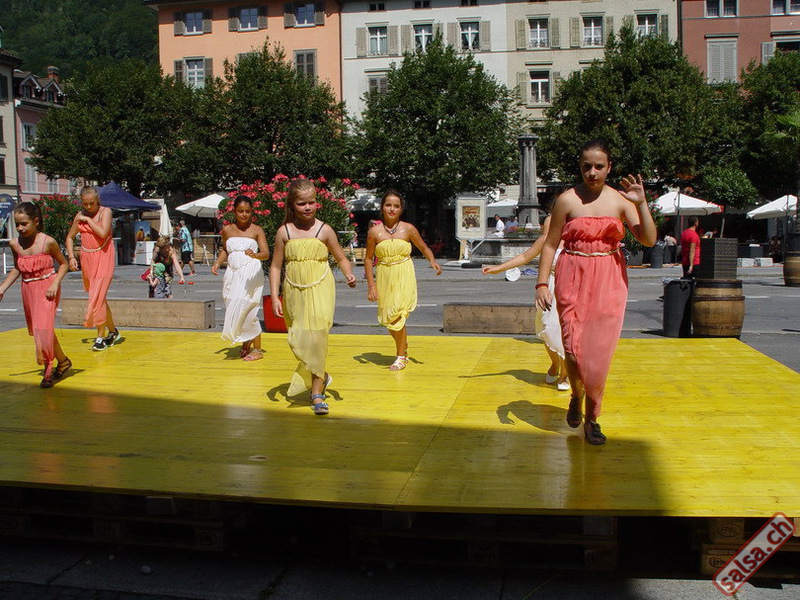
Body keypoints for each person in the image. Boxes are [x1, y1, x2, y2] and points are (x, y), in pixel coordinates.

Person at [535, 139, 656, 445]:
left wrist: (642, 203)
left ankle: (592, 418)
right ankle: (576, 394)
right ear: (580, 167)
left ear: (609, 167)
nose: (592, 172)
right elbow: (550, 244)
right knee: (573, 350)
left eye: (599, 166)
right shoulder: (567, 200)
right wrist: (541, 283)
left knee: (598, 355)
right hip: (572, 274)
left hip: (609, 278)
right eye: (586, 166)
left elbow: (649, 240)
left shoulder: (621, 201)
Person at [269, 179, 357, 415]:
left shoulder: (324, 230)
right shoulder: (284, 232)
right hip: (294, 290)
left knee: (317, 338)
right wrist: (275, 296)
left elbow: (341, 257)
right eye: (301, 203)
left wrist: (348, 273)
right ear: (292, 205)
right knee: (298, 339)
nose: (308, 207)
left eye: (311, 202)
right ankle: (323, 375)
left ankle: (317, 393)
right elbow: (276, 266)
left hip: (321, 289)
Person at [483, 213, 568, 391]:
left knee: (566, 332)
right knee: (547, 328)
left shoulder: (575, 241)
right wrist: (498, 268)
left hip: (570, 288)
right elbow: (524, 257)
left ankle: (564, 375)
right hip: (549, 287)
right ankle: (555, 363)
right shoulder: (545, 240)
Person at [364, 190, 442, 371]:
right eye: (388, 205)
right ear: (382, 207)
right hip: (384, 275)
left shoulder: (408, 229)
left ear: (401, 209)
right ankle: (403, 346)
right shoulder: (374, 232)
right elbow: (368, 259)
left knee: (398, 314)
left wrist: (432, 261)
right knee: (389, 318)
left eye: (396, 206)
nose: (392, 209)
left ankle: (401, 356)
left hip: (404, 273)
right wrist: (371, 285)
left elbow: (423, 247)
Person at [0, 202, 71, 387]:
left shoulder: (48, 242)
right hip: (28, 289)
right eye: (17, 224)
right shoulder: (15, 244)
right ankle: (63, 361)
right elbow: (18, 268)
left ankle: (48, 370)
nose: (19, 228)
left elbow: (64, 264)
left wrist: (55, 283)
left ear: (36, 221)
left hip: (47, 288)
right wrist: (2, 288)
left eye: (24, 224)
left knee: (43, 330)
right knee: (42, 329)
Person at [212, 197, 270, 362]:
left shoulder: (257, 230)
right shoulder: (227, 230)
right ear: (234, 212)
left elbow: (266, 253)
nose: (244, 214)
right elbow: (225, 249)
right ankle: (245, 341)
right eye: (240, 211)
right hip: (233, 272)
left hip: (250, 272)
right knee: (233, 303)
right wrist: (218, 262)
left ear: (252, 212)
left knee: (247, 306)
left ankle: (257, 348)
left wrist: (255, 255)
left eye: (247, 211)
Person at [65, 185, 120, 352]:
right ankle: (113, 332)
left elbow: (103, 233)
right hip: (87, 258)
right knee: (99, 297)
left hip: (104, 255)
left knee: (97, 296)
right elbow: (70, 237)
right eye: (85, 204)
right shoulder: (80, 215)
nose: (89, 207)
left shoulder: (105, 212)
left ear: (98, 200)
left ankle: (100, 337)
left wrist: (88, 220)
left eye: (92, 203)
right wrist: (71, 257)